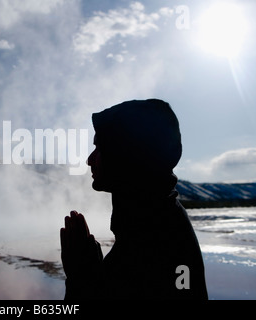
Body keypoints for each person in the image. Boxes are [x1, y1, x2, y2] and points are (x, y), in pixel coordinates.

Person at [60, 99, 208, 299]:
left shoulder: (152, 240)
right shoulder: (152, 220)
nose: (89, 159)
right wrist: (94, 274)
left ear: (122, 154)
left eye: (99, 148)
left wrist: (82, 278)